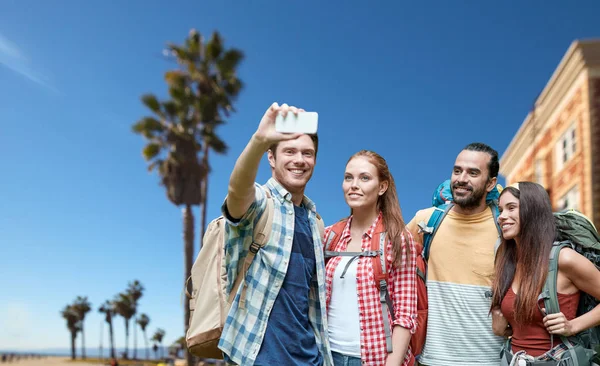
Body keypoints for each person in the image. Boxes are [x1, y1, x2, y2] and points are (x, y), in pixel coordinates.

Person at [219, 102, 333, 365]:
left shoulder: (315, 221)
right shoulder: (260, 202)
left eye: (308, 153)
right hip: (256, 357)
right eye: (289, 151)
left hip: (310, 359)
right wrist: (260, 140)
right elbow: (237, 191)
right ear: (271, 157)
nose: (299, 160)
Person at [406, 142, 505, 366]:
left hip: (491, 360)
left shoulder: (505, 227)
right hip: (431, 359)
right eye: (457, 170)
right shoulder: (426, 220)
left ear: (491, 183)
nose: (461, 179)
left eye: (473, 173)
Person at [324, 150, 417, 366]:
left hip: (374, 359)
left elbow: (405, 315)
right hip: (327, 356)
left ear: (382, 187)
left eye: (364, 178)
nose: (354, 185)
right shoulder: (329, 236)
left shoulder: (398, 239)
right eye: (349, 177)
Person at [491, 182, 600, 363]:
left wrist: (573, 326)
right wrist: (500, 323)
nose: (501, 217)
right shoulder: (507, 260)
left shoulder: (563, 259)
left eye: (511, 208)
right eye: (501, 210)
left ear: (533, 210)